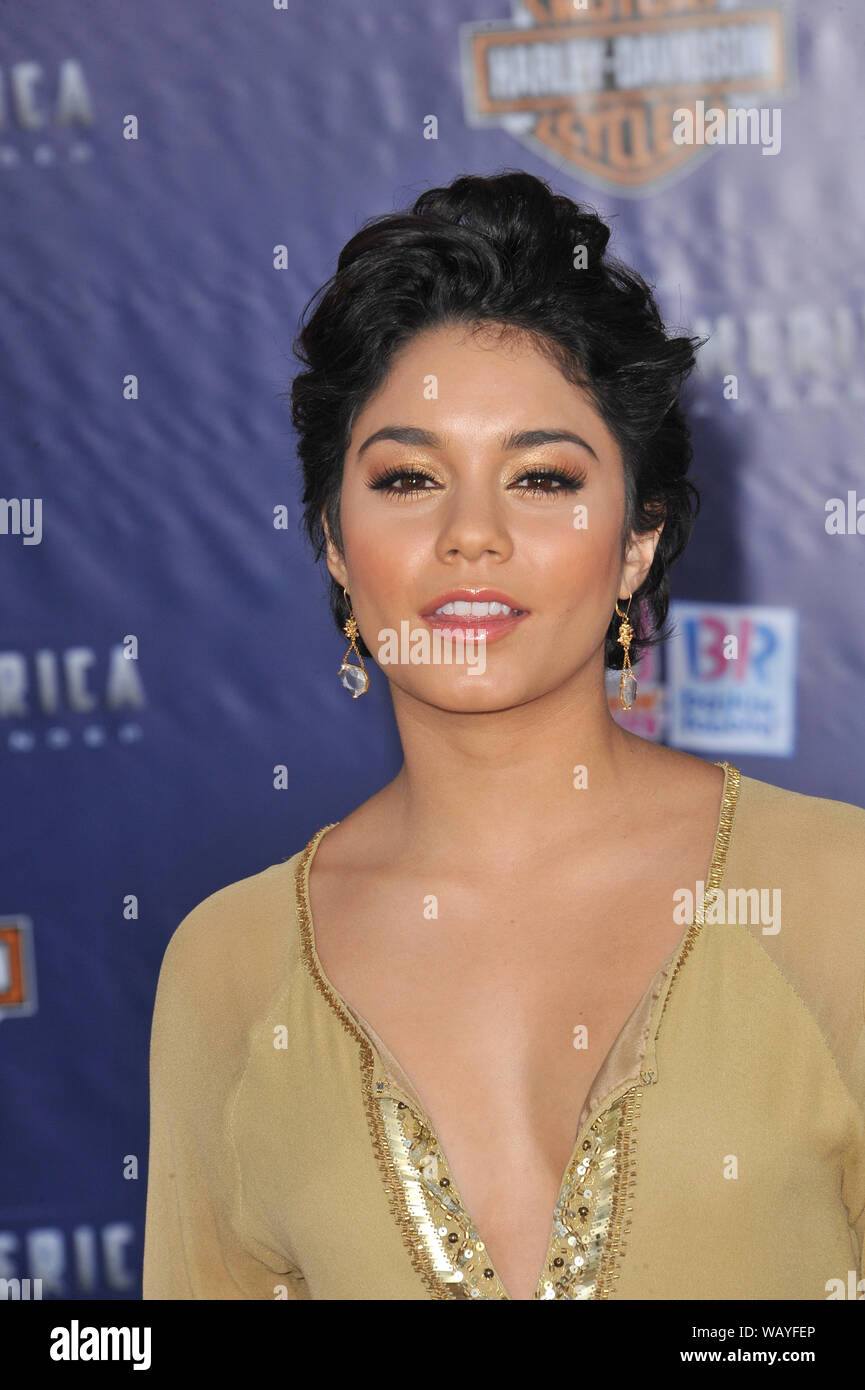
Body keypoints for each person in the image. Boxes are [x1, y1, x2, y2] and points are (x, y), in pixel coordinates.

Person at [142, 170, 865, 1301]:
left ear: (636, 541)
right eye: (409, 476)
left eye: (539, 477)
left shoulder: (837, 896)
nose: (470, 534)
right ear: (334, 539)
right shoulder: (228, 965)